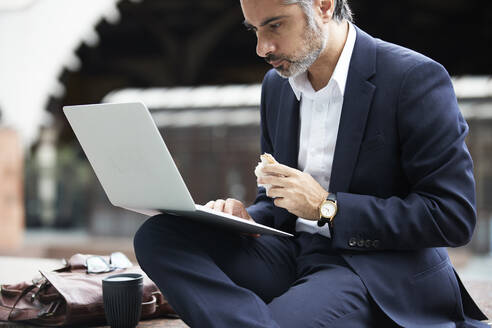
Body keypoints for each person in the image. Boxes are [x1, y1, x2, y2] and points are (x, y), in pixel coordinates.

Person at [134, 0, 489, 327]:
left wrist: (327, 207)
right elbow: (276, 201)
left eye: (274, 26)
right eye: (254, 30)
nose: (262, 48)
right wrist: (245, 220)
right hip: (291, 252)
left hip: (373, 269)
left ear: (322, 6)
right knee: (159, 234)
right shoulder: (277, 85)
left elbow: (452, 216)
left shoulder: (413, 79)